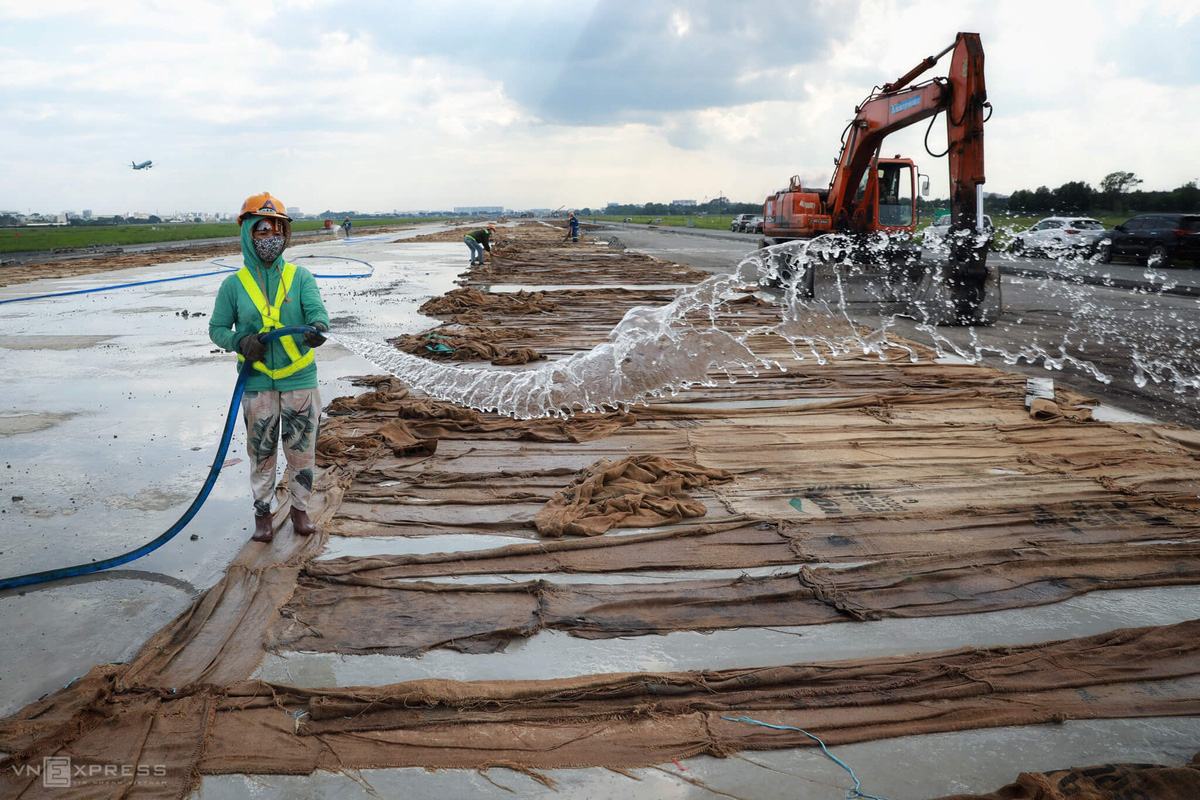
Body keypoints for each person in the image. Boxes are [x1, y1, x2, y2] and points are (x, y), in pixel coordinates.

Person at [209, 192, 330, 543]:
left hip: (300, 381)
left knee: (301, 450)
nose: (269, 239)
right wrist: (240, 342)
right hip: (257, 382)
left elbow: (317, 312)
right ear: (248, 233)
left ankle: (299, 510)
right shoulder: (233, 285)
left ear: (285, 235)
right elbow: (217, 329)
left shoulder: (300, 277)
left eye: (276, 230)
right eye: (261, 231)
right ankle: (263, 515)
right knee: (261, 453)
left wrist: (318, 329)